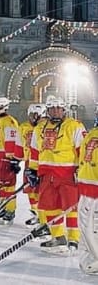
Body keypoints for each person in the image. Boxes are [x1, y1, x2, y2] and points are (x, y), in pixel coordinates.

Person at [28, 97, 86, 253]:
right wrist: (32, 169)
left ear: (64, 110)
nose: (56, 111)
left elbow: (83, 150)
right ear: (47, 111)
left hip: (67, 175)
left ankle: (74, 238)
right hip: (46, 174)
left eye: (59, 108)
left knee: (70, 207)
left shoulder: (74, 126)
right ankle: (58, 237)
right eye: (52, 109)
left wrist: (82, 170)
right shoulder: (39, 129)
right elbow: (34, 151)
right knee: (50, 207)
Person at [14, 104, 47, 226]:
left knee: (42, 191)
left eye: (36, 115)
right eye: (31, 115)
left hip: (44, 163)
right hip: (30, 162)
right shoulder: (24, 127)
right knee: (31, 190)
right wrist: (16, 159)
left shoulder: (47, 127)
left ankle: (45, 218)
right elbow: (19, 144)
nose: (33, 118)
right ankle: (36, 214)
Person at [77, 126, 98, 275]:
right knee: (86, 229)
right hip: (87, 189)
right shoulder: (92, 133)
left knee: (93, 229)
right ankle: (91, 260)